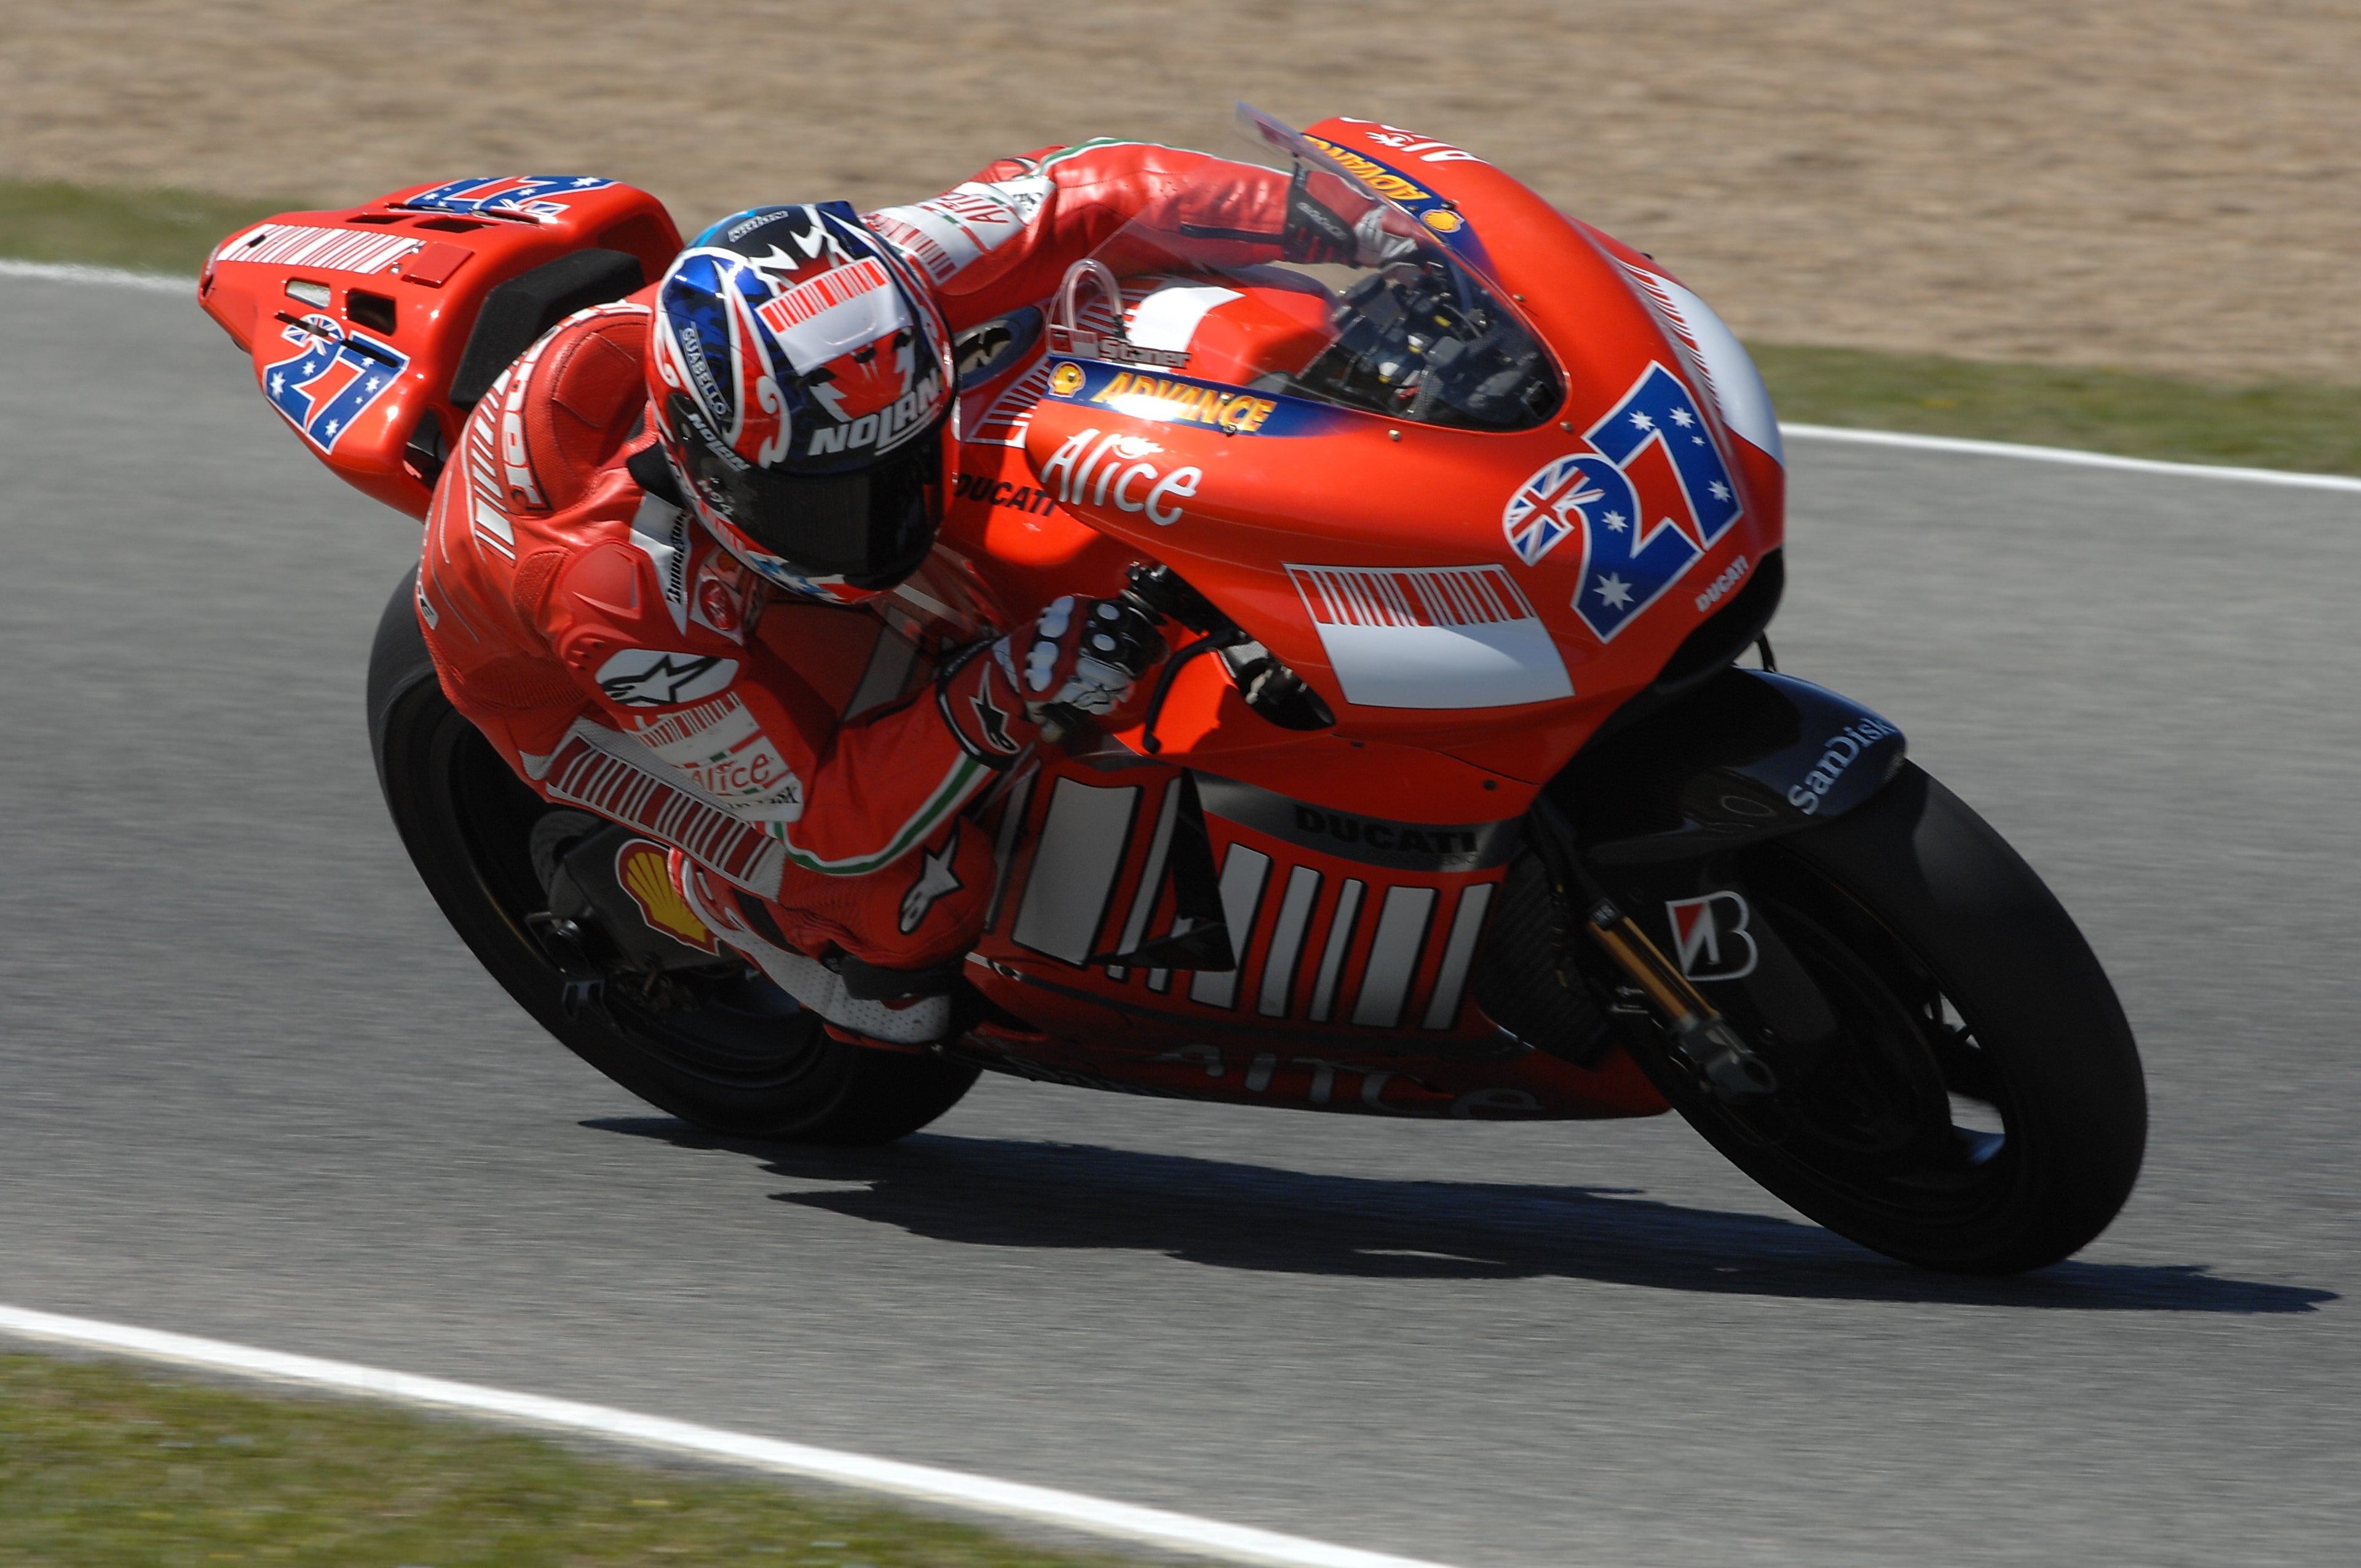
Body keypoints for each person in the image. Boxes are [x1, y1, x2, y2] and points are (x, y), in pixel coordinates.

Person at [414, 140, 1389, 1047]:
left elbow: (1107, 192)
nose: (878, 523)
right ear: (706, 469)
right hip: (563, 697)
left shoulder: (861, 288)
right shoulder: (618, 596)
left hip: (722, 540)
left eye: (898, 468)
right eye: (830, 502)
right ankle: (710, 902)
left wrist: (1336, 217)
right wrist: (1003, 685)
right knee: (912, 931)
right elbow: (833, 819)